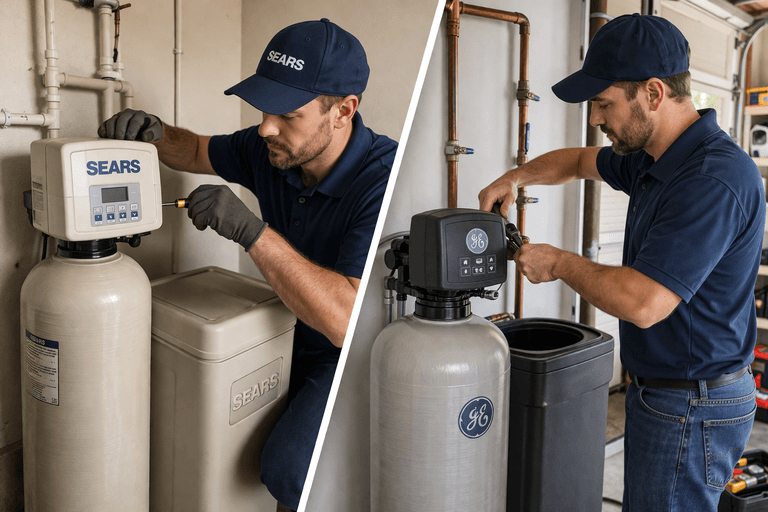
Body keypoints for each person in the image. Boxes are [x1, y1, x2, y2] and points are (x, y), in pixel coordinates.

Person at [99, 18, 397, 512]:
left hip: (350, 353)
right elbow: (195, 149)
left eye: (287, 115)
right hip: (287, 327)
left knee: (290, 469)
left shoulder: (380, 180)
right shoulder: (272, 149)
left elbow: (346, 320)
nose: (265, 127)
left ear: (343, 111)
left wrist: (252, 232)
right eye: (262, 109)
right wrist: (155, 133)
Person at [478, 14, 764, 512]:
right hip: (669, 393)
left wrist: (560, 263)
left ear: (653, 93)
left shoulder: (709, 178)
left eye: (604, 103)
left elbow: (644, 301)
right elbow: (577, 162)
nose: (596, 118)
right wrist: (514, 178)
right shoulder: (654, 156)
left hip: (692, 404)